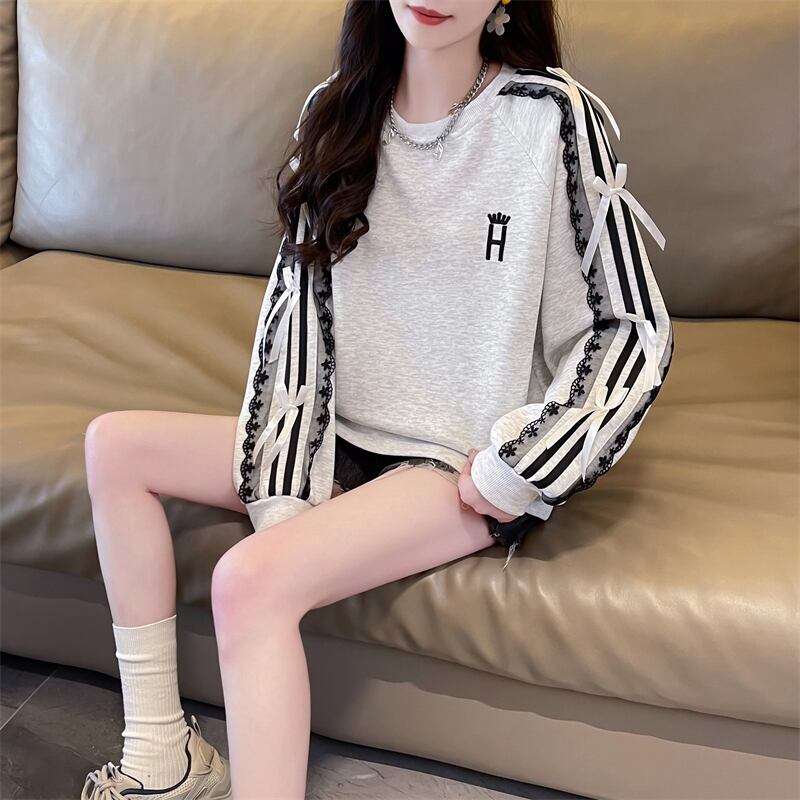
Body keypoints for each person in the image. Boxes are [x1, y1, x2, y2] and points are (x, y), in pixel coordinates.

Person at [81, 1, 674, 798]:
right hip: (332, 435)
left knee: (247, 581)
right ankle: (164, 756)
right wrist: (285, 489)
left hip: (452, 461)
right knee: (114, 447)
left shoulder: (551, 117)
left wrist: (522, 464)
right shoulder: (335, 109)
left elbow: (629, 328)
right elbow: (294, 316)